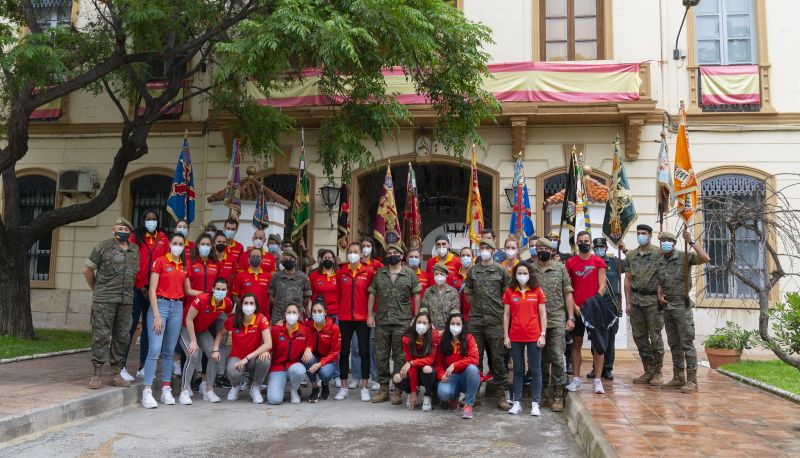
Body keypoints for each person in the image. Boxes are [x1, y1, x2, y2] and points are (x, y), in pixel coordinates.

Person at [84, 217, 140, 389]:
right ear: (113, 230)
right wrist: (97, 289)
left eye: (125, 229)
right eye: (119, 228)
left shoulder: (134, 249)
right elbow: (87, 269)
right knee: (101, 336)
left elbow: (134, 274)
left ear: (130, 232)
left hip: (125, 300)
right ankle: (96, 373)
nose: (122, 231)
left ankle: (116, 373)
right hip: (104, 300)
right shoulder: (103, 247)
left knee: (122, 336)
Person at [656, 229, 710, 393]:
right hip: (667, 305)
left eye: (667, 241)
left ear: (673, 243)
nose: (664, 243)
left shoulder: (684, 256)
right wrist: (659, 295)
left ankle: (692, 380)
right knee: (674, 343)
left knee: (686, 343)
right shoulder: (661, 260)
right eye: (662, 241)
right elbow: (660, 281)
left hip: (681, 304)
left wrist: (691, 242)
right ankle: (678, 377)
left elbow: (705, 258)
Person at [367, 243, 421, 404]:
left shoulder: (410, 274)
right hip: (382, 321)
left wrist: (416, 316)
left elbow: (417, 295)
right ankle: (383, 389)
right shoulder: (379, 273)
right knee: (381, 355)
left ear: (401, 256)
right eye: (389, 253)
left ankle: (398, 389)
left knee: (400, 356)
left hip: (402, 322)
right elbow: (372, 293)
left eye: (395, 253)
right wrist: (369, 315)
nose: (392, 255)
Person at [141, 232, 189, 409]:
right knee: (154, 349)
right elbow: (152, 290)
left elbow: (188, 290)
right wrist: (156, 315)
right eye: (175, 243)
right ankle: (147, 391)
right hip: (160, 306)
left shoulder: (184, 265)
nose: (177, 246)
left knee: (169, 351)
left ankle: (166, 389)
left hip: (177, 307)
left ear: (184, 246)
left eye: (181, 244)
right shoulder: (160, 261)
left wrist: (208, 294)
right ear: (169, 244)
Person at [463, 237, 512, 410]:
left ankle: (501, 394)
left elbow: (508, 295)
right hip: (476, 321)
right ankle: (474, 394)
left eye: (487, 247)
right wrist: (477, 306)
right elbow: (468, 291)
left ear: (493, 251)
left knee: (498, 358)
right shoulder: (473, 270)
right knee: (475, 358)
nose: (484, 250)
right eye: (481, 247)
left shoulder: (501, 271)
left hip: (496, 320)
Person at [121, 209, 168, 382]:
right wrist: (142, 286)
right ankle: (121, 366)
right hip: (137, 289)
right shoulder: (135, 237)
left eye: (154, 219)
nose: (151, 221)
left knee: (150, 329)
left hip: (154, 291)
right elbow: (131, 263)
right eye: (148, 219)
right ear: (143, 220)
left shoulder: (163, 239)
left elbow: (165, 264)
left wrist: (153, 289)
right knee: (130, 326)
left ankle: (143, 367)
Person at [530, 238, 575, 412]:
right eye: (539, 248)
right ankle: (542, 393)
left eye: (546, 248)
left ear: (552, 251)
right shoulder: (530, 270)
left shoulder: (560, 268)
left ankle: (558, 394)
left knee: (556, 355)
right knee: (540, 358)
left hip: (556, 318)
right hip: (535, 320)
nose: (542, 251)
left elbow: (568, 293)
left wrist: (571, 317)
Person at [565, 231, 608, 395]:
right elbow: (568, 287)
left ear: (591, 243)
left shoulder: (598, 261)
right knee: (576, 344)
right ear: (577, 243)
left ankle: (597, 380)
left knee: (598, 346)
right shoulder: (570, 262)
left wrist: (593, 304)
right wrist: (575, 307)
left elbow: (602, 286)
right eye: (581, 241)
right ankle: (576, 379)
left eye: (586, 241)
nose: (584, 243)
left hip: (594, 309)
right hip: (577, 310)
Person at [178, 278, 233, 404]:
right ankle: (184, 391)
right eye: (218, 289)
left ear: (227, 291)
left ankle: (209, 390)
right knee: (193, 354)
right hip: (185, 327)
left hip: (201, 330)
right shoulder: (202, 299)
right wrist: (193, 341)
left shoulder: (227, 302)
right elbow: (189, 319)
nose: (220, 291)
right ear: (213, 289)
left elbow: (229, 315)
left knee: (214, 355)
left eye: (223, 289)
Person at [503, 263, 547, 416]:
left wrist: (543, 334)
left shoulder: (537, 291)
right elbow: (506, 315)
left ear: (530, 274)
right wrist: (506, 335)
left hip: (534, 335)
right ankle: (517, 403)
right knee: (518, 370)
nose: (522, 275)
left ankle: (535, 403)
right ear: (515, 275)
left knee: (535, 370)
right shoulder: (509, 291)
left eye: (525, 273)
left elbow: (543, 314)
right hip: (515, 336)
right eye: (519, 273)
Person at [625, 224, 666, 386]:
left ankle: (658, 371)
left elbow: (664, 274)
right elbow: (628, 279)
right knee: (639, 337)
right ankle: (648, 370)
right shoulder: (631, 255)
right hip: (636, 301)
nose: (640, 236)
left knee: (655, 337)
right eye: (638, 233)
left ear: (650, 235)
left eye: (644, 233)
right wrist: (628, 302)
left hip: (652, 302)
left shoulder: (658, 253)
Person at [335, 242, 375, 401]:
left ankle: (364, 387)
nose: (353, 254)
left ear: (361, 254)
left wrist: (371, 315)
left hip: (362, 318)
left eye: (356, 251)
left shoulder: (368, 271)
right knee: (344, 352)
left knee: (364, 352)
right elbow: (338, 295)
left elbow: (372, 295)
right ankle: (344, 387)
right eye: (350, 251)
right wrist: (340, 313)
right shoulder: (341, 272)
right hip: (345, 318)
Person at [220, 293, 272, 404]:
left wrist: (247, 358)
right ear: (241, 305)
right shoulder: (233, 319)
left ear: (256, 306)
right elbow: (221, 333)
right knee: (233, 371)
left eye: (251, 303)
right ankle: (236, 386)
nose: (248, 306)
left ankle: (255, 387)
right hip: (237, 357)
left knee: (265, 359)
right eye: (246, 303)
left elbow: (268, 343)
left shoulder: (261, 319)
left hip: (253, 358)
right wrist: (215, 349)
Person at [587, 237, 626, 381]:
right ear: (593, 249)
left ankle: (608, 368)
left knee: (610, 338)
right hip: (595, 303)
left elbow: (632, 263)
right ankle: (596, 367)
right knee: (595, 337)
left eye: (601, 247)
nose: (599, 250)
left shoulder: (615, 262)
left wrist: (624, 250)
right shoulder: (589, 263)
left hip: (611, 304)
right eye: (596, 248)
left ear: (606, 248)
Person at [436, 312, 480, 419]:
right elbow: (438, 364)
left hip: (466, 376)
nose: (455, 326)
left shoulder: (469, 338)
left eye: (458, 324)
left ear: (463, 325)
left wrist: (454, 365)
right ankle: (454, 398)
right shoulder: (443, 341)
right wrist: (441, 375)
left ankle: (468, 405)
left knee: (473, 369)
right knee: (443, 393)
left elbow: (474, 359)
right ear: (448, 325)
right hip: (451, 377)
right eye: (453, 323)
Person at [394, 311, 438, 411]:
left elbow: (430, 360)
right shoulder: (407, 338)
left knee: (427, 369)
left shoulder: (434, 336)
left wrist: (411, 363)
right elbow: (411, 365)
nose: (421, 325)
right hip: (413, 370)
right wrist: (413, 391)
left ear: (429, 325)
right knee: (397, 378)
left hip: (427, 371)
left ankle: (428, 395)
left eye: (424, 323)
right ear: (414, 323)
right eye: (419, 322)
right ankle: (412, 391)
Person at [267, 304, 310, 404]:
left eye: (294, 312)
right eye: (289, 312)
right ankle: (277, 385)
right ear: (285, 314)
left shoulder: (304, 329)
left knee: (299, 371)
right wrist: (266, 352)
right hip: (278, 368)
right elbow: (269, 347)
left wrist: (308, 349)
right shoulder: (277, 329)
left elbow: (309, 344)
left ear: (299, 314)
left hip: (294, 366)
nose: (291, 314)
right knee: (274, 400)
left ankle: (294, 390)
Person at [304, 298, 341, 402]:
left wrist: (320, 364)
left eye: (319, 311)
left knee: (325, 373)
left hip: (328, 361)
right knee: (306, 357)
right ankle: (315, 387)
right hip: (314, 358)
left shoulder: (334, 328)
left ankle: (325, 384)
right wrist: (307, 349)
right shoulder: (308, 325)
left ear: (325, 312)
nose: (317, 314)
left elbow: (335, 352)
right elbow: (305, 339)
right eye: (314, 311)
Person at [268, 248, 311, 324]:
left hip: (296, 314)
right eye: (286, 259)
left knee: (297, 331)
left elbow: (307, 297)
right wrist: (278, 306)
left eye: (291, 259)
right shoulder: (276, 277)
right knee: (276, 331)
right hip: (278, 315)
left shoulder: (303, 277)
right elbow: (271, 296)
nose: (288, 261)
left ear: (296, 261)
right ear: (282, 262)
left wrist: (299, 307)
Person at [232, 247, 272, 316]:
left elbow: (271, 296)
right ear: (248, 259)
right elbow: (235, 296)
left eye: (258, 256)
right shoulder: (240, 276)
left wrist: (264, 305)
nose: (255, 258)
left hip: (263, 315)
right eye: (253, 256)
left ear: (262, 260)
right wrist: (245, 307)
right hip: (244, 315)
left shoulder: (269, 276)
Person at [420, 263, 460, 331]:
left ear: (446, 275)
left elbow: (455, 312)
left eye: (442, 274)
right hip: (430, 329)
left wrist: (447, 329)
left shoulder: (453, 292)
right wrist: (428, 326)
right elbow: (424, 310)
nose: (439, 276)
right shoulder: (428, 291)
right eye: (436, 274)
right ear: (433, 275)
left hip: (448, 330)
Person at [309, 249, 339, 320]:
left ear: (333, 260)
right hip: (319, 312)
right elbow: (310, 294)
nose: (327, 259)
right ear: (321, 260)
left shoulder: (339, 274)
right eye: (325, 258)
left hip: (336, 312)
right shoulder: (313, 275)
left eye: (329, 258)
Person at [448, 247, 473, 322]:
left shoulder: (477, 275)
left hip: (472, 318)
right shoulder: (453, 275)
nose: (465, 257)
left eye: (468, 255)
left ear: (473, 257)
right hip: (455, 317)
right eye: (463, 255)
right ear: (459, 258)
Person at [406, 248, 430, 315]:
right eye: (411, 257)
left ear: (420, 258)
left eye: (416, 257)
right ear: (407, 259)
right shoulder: (401, 275)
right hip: (403, 315)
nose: (414, 259)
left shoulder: (427, 276)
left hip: (421, 315)